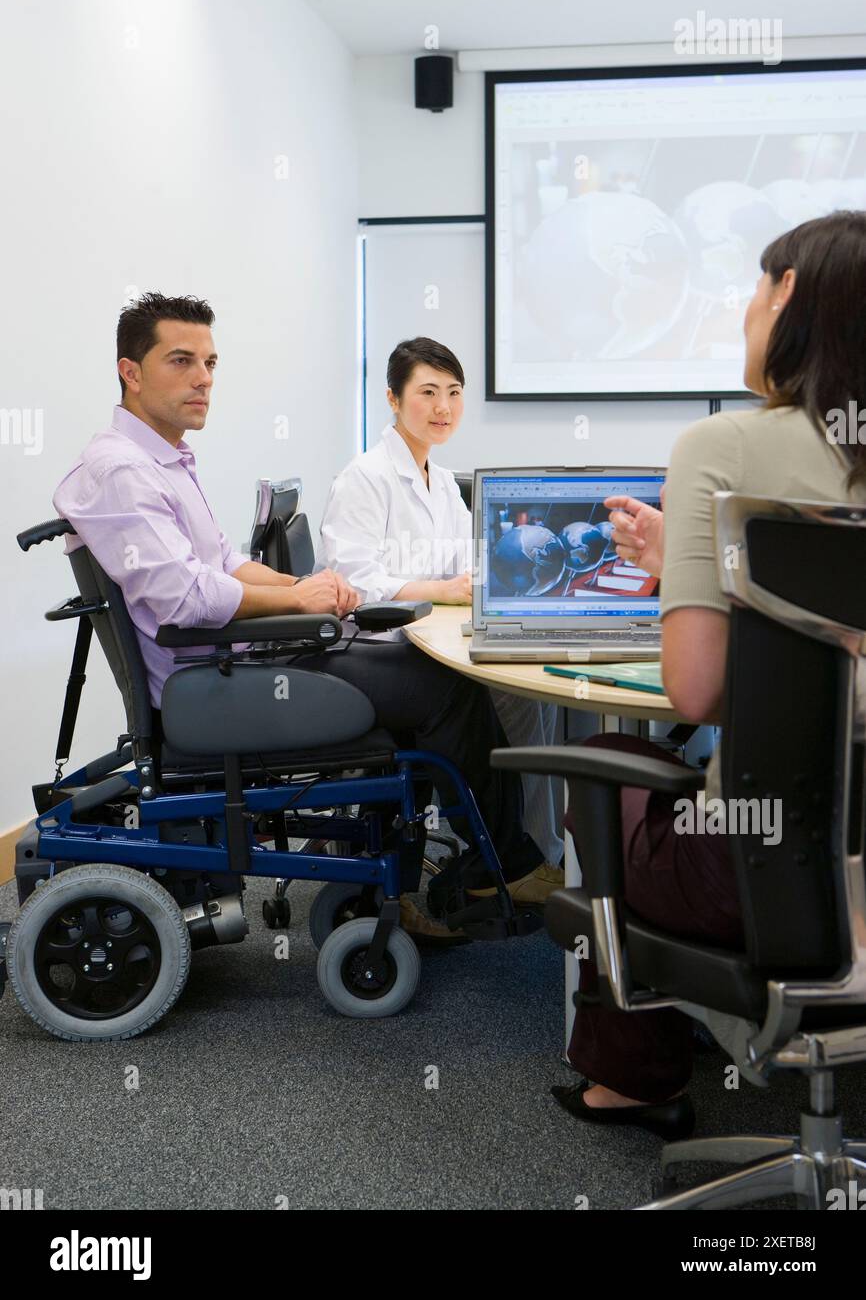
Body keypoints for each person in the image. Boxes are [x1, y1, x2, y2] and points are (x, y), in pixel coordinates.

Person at [52, 293, 543, 946]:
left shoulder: (162, 459)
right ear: (130, 372)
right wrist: (296, 602)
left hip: (228, 668)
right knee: (446, 685)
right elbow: (183, 596)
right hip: (206, 689)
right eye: (181, 360)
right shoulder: (119, 470)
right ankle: (498, 866)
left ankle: (477, 860)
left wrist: (301, 585)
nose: (203, 377)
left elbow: (224, 561)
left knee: (427, 674)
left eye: (210, 362)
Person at [553, 210, 866, 1138]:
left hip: (771, 873)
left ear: (789, 294)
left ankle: (634, 1079)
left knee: (606, 766)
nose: (740, 315)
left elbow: (696, 691)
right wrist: (679, 565)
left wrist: (675, 598)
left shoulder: (725, 448)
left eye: (752, 291)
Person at [317, 335, 564, 906]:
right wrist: (444, 589)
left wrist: (503, 583)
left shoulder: (443, 481)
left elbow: (465, 564)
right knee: (512, 697)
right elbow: (353, 585)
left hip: (425, 640)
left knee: (534, 697)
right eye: (427, 392)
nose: (443, 407)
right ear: (393, 399)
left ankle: (531, 850)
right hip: (376, 649)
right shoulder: (366, 477)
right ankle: (510, 856)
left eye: (453, 393)